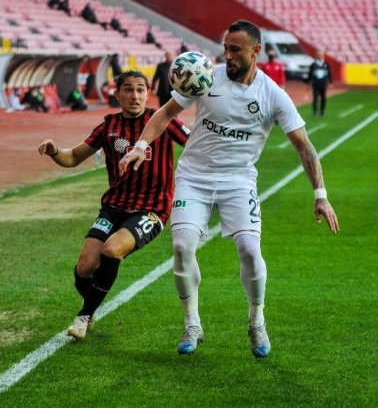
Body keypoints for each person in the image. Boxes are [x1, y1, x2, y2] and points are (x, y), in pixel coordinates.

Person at [119, 20, 339, 358]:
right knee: (181, 247)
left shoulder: (272, 95)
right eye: (225, 48)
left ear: (255, 51)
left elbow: (305, 147)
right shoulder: (205, 77)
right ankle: (192, 322)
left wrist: (320, 195)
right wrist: (139, 146)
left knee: (250, 250)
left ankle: (256, 321)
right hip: (195, 177)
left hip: (238, 180)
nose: (227, 56)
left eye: (235, 49)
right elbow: (164, 114)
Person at [37, 70, 190, 340]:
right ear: (117, 94)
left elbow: (196, 144)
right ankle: (92, 306)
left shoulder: (162, 121)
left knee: (111, 250)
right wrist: (54, 152)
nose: (135, 95)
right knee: (84, 268)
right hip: (114, 206)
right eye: (128, 90)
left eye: (141, 89)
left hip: (151, 210)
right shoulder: (109, 126)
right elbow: (73, 157)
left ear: (148, 93)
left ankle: (84, 315)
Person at [308, 49, 332, 116]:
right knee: (315, 97)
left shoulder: (326, 64)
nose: (319, 56)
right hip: (315, 83)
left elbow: (329, 73)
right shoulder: (313, 64)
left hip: (323, 83)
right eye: (318, 55)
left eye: (320, 54)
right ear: (316, 55)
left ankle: (322, 110)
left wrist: (330, 82)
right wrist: (309, 83)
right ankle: (315, 111)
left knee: (323, 97)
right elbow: (310, 74)